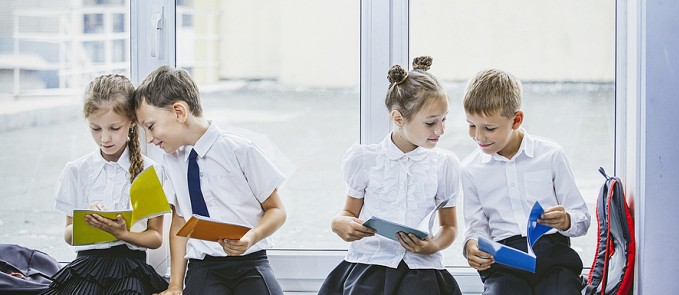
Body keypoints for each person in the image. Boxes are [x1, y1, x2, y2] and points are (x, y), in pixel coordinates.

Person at [133, 66, 287, 295]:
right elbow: (179, 224)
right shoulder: (172, 162)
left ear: (178, 112)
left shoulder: (240, 150)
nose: (149, 138)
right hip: (204, 266)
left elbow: (276, 210)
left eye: (150, 126)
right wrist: (175, 285)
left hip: (250, 261)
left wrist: (250, 237)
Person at [318, 56, 463, 295]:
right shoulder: (364, 159)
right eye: (430, 123)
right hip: (369, 266)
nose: (440, 130)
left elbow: (449, 227)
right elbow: (348, 213)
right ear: (398, 118)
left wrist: (433, 245)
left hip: (421, 270)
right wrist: (339, 223)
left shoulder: (445, 164)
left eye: (444, 120)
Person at [460, 69, 591, 294]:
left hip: (554, 261)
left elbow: (583, 219)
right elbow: (475, 228)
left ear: (516, 120)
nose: (479, 137)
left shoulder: (551, 155)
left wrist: (566, 220)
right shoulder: (470, 169)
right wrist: (471, 246)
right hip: (504, 265)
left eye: (489, 128)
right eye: (472, 125)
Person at [41, 74, 168, 295]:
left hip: (131, 266)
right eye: (96, 129)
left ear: (131, 122)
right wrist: (88, 221)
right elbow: (69, 235)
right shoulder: (76, 170)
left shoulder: (149, 171)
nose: (105, 138)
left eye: (114, 128)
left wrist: (122, 234)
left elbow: (155, 238)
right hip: (87, 266)